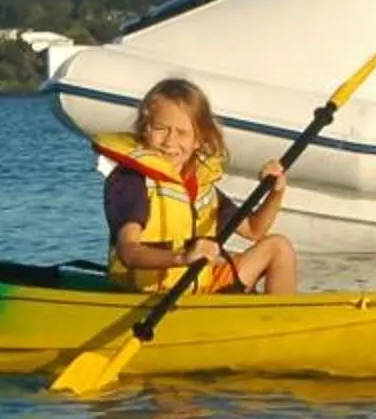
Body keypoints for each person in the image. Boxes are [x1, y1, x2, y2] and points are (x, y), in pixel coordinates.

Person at [96, 77, 298, 296]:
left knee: (279, 247)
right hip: (148, 295)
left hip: (201, 287)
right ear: (145, 129)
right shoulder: (131, 181)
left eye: (182, 133)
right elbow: (128, 251)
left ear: (199, 140)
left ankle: (282, 319)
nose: (169, 141)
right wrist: (182, 258)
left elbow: (254, 230)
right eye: (160, 128)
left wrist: (275, 192)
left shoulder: (198, 182)